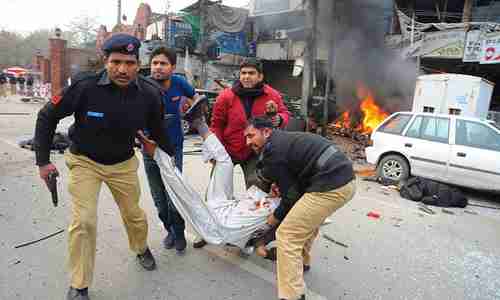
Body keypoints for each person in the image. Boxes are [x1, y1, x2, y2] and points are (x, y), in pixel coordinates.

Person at [34, 34, 175, 300]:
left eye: (130, 63)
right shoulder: (84, 87)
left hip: (123, 164)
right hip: (84, 161)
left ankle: (140, 247)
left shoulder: (149, 93)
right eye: (116, 62)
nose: (123, 69)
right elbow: (47, 115)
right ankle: (79, 284)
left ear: (138, 63)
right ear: (105, 61)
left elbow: (158, 130)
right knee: (83, 222)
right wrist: (43, 161)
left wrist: (170, 161)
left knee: (134, 215)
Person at [244, 116, 357, 300]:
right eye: (246, 138)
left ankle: (292, 295)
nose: (248, 142)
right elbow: (295, 181)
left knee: (287, 235)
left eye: (251, 135)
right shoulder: (282, 140)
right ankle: (302, 262)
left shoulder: (273, 153)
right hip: (345, 180)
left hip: (331, 184)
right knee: (306, 222)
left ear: (266, 131)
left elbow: (290, 199)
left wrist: (272, 220)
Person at [200, 58, 290, 249]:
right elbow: (216, 124)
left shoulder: (271, 95)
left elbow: (284, 114)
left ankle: (250, 233)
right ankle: (208, 229)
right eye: (243, 73)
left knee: (256, 194)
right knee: (217, 192)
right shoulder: (226, 96)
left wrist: (278, 119)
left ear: (260, 76)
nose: (247, 77)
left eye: (251, 73)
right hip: (229, 150)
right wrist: (216, 151)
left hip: (255, 153)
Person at [143, 46, 196, 253]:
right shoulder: (141, 85)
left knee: (174, 195)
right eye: (155, 63)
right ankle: (169, 230)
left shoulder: (180, 83)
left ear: (172, 67)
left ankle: (180, 232)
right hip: (150, 150)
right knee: (159, 199)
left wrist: (190, 110)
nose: (158, 67)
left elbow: (196, 100)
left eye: (163, 63)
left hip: (174, 150)